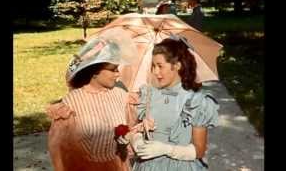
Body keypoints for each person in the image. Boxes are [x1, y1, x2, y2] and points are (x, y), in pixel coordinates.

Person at [46, 31, 145, 171]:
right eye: (113, 69)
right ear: (94, 72)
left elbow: (131, 127)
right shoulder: (72, 102)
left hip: (118, 165)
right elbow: (61, 149)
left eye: (118, 68)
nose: (118, 73)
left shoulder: (121, 94)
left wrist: (131, 138)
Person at [127, 36, 219, 171]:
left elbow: (199, 150)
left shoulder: (196, 101)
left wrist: (166, 149)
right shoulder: (149, 94)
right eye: (153, 66)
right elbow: (136, 129)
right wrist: (138, 140)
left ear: (177, 66)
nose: (155, 72)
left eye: (160, 66)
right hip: (147, 166)